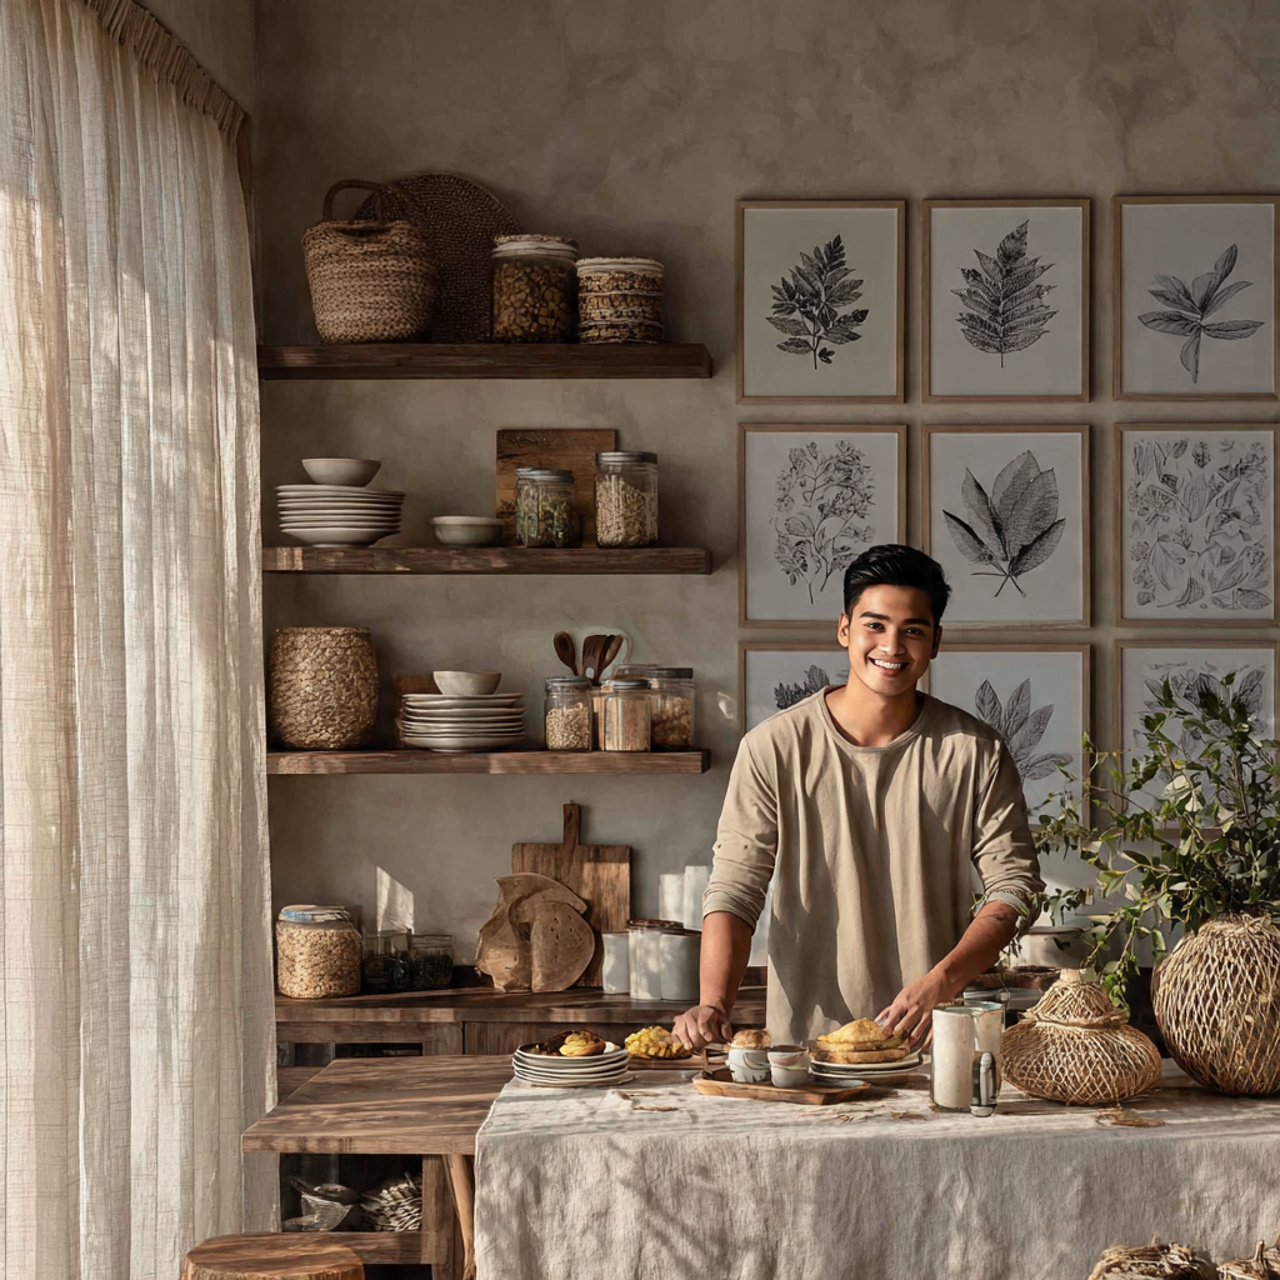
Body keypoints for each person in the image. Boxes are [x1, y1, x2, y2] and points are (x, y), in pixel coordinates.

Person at [674, 544, 1044, 1052]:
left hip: (934, 1043)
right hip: (808, 1049)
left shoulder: (976, 751)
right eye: (875, 625)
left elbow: (1016, 887)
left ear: (936, 641)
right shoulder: (772, 748)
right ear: (844, 628)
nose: (892, 645)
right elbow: (736, 888)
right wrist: (713, 1003)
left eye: (912, 629)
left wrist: (943, 983)